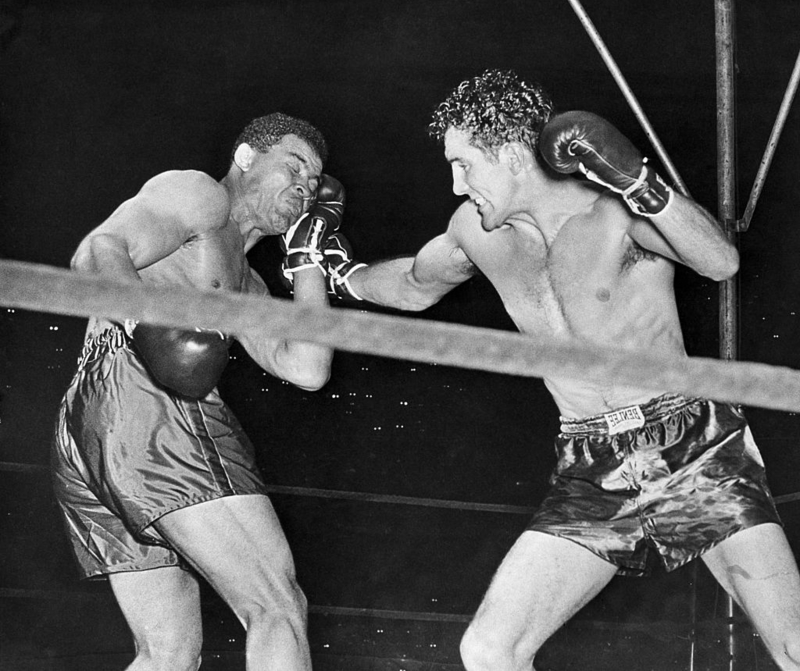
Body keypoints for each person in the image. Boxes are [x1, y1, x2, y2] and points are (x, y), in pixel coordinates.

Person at [337, 69, 800, 670]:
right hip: (589, 469)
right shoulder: (477, 234)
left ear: (507, 153)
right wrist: (338, 271)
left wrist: (642, 185)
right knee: (489, 650)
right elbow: (412, 285)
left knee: (794, 644)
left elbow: (718, 260)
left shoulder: (612, 213)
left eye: (464, 163)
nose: (456, 184)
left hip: (691, 449)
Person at [52, 112, 347, 671]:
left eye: (314, 182)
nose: (305, 187)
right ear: (245, 159)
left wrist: (308, 253)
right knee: (278, 606)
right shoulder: (200, 197)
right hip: (148, 394)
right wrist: (153, 329)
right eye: (294, 167)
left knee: (168, 654)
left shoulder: (247, 284)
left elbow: (307, 366)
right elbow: (96, 251)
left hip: (93, 427)